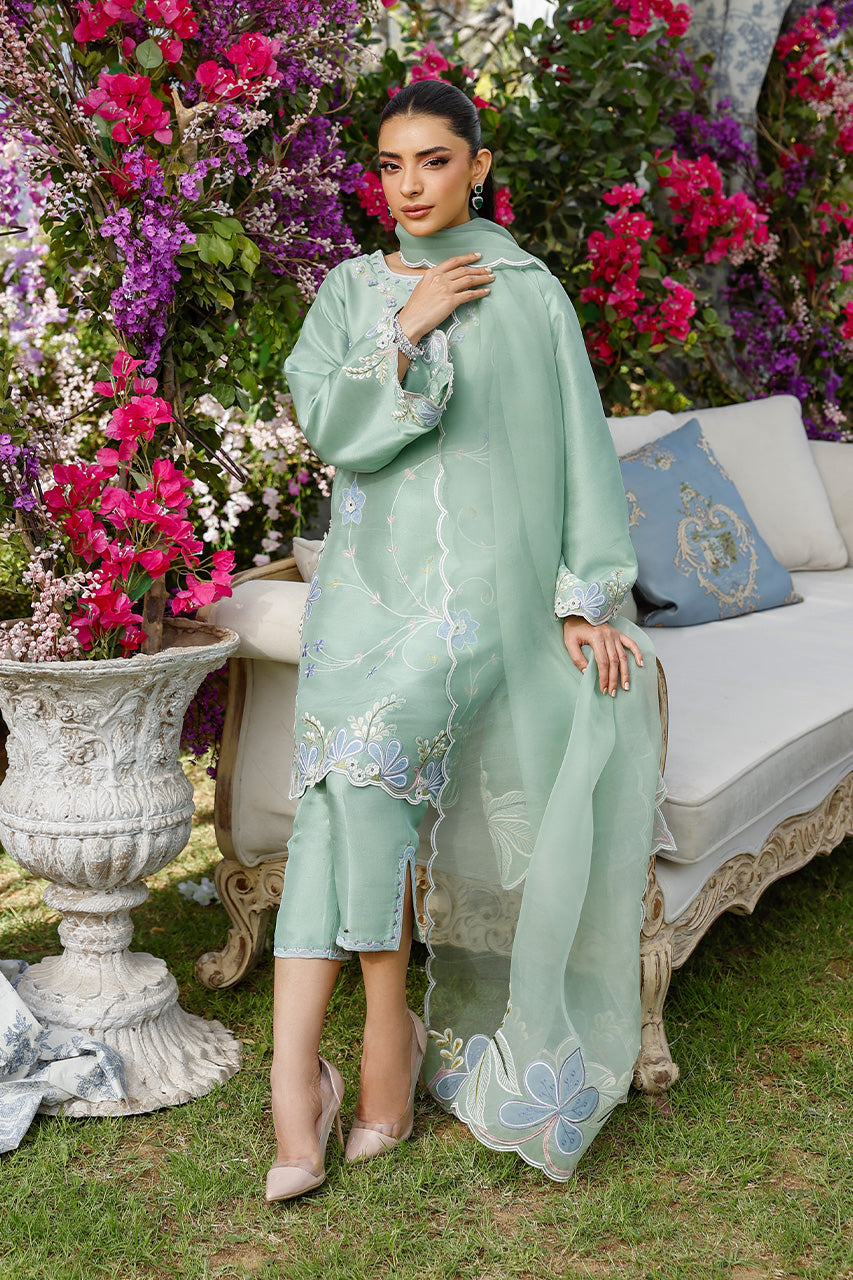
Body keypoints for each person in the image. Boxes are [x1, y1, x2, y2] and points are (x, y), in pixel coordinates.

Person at [267, 78, 669, 1200]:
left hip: (478, 605)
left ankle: (326, 1072)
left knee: (359, 769)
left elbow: (580, 446)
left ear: (478, 166)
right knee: (341, 792)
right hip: (361, 600)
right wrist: (404, 327)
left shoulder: (529, 292)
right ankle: (336, 1071)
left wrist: (585, 597)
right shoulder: (351, 290)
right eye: (390, 165)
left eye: (434, 161)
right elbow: (329, 426)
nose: (409, 186)